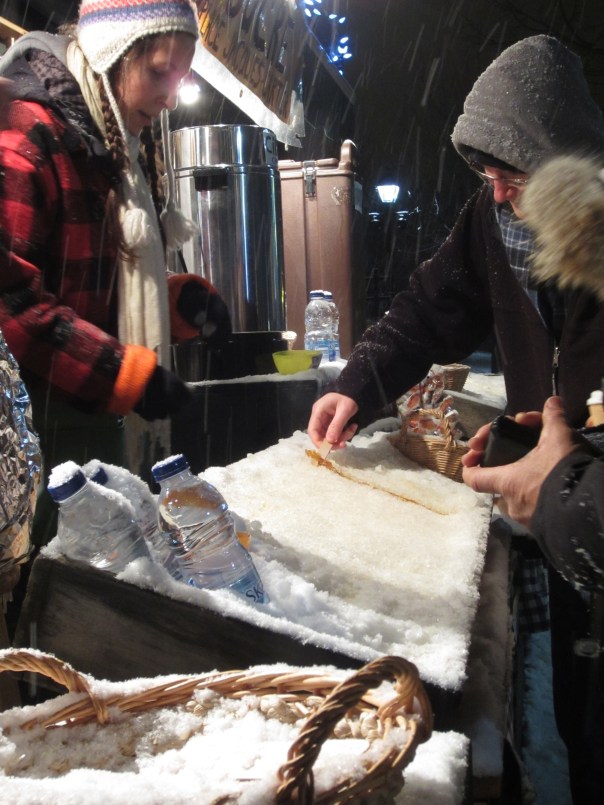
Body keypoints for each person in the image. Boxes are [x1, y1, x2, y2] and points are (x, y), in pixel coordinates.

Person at [306, 35, 604, 804]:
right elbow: (426, 310)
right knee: (567, 695)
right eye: (487, 173)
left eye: (513, 172)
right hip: (557, 508)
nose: (499, 192)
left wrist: (571, 466)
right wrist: (358, 382)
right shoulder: (491, 219)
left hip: (593, 499)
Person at [0, 0, 230, 550]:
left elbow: (98, 281)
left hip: (85, 423)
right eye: (158, 71)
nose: (169, 96)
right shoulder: (24, 132)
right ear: (113, 53)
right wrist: (125, 374)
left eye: (179, 77)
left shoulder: (107, 139)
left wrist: (177, 305)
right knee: (49, 603)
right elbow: (10, 306)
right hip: (31, 438)